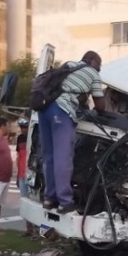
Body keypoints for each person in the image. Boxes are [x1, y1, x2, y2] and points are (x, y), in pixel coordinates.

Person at [38, 50, 106, 214]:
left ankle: (49, 198)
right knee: (63, 158)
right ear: (93, 62)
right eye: (99, 66)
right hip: (61, 111)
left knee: (50, 156)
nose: (99, 69)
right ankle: (65, 201)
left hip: (44, 109)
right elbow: (101, 106)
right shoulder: (93, 74)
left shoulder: (69, 65)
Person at [15, 118, 36, 236]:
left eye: (25, 127)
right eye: (21, 127)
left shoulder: (35, 137)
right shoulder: (20, 139)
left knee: (36, 203)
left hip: (32, 174)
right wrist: (17, 175)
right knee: (25, 202)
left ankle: (40, 232)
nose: (23, 129)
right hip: (22, 174)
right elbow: (19, 156)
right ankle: (29, 230)